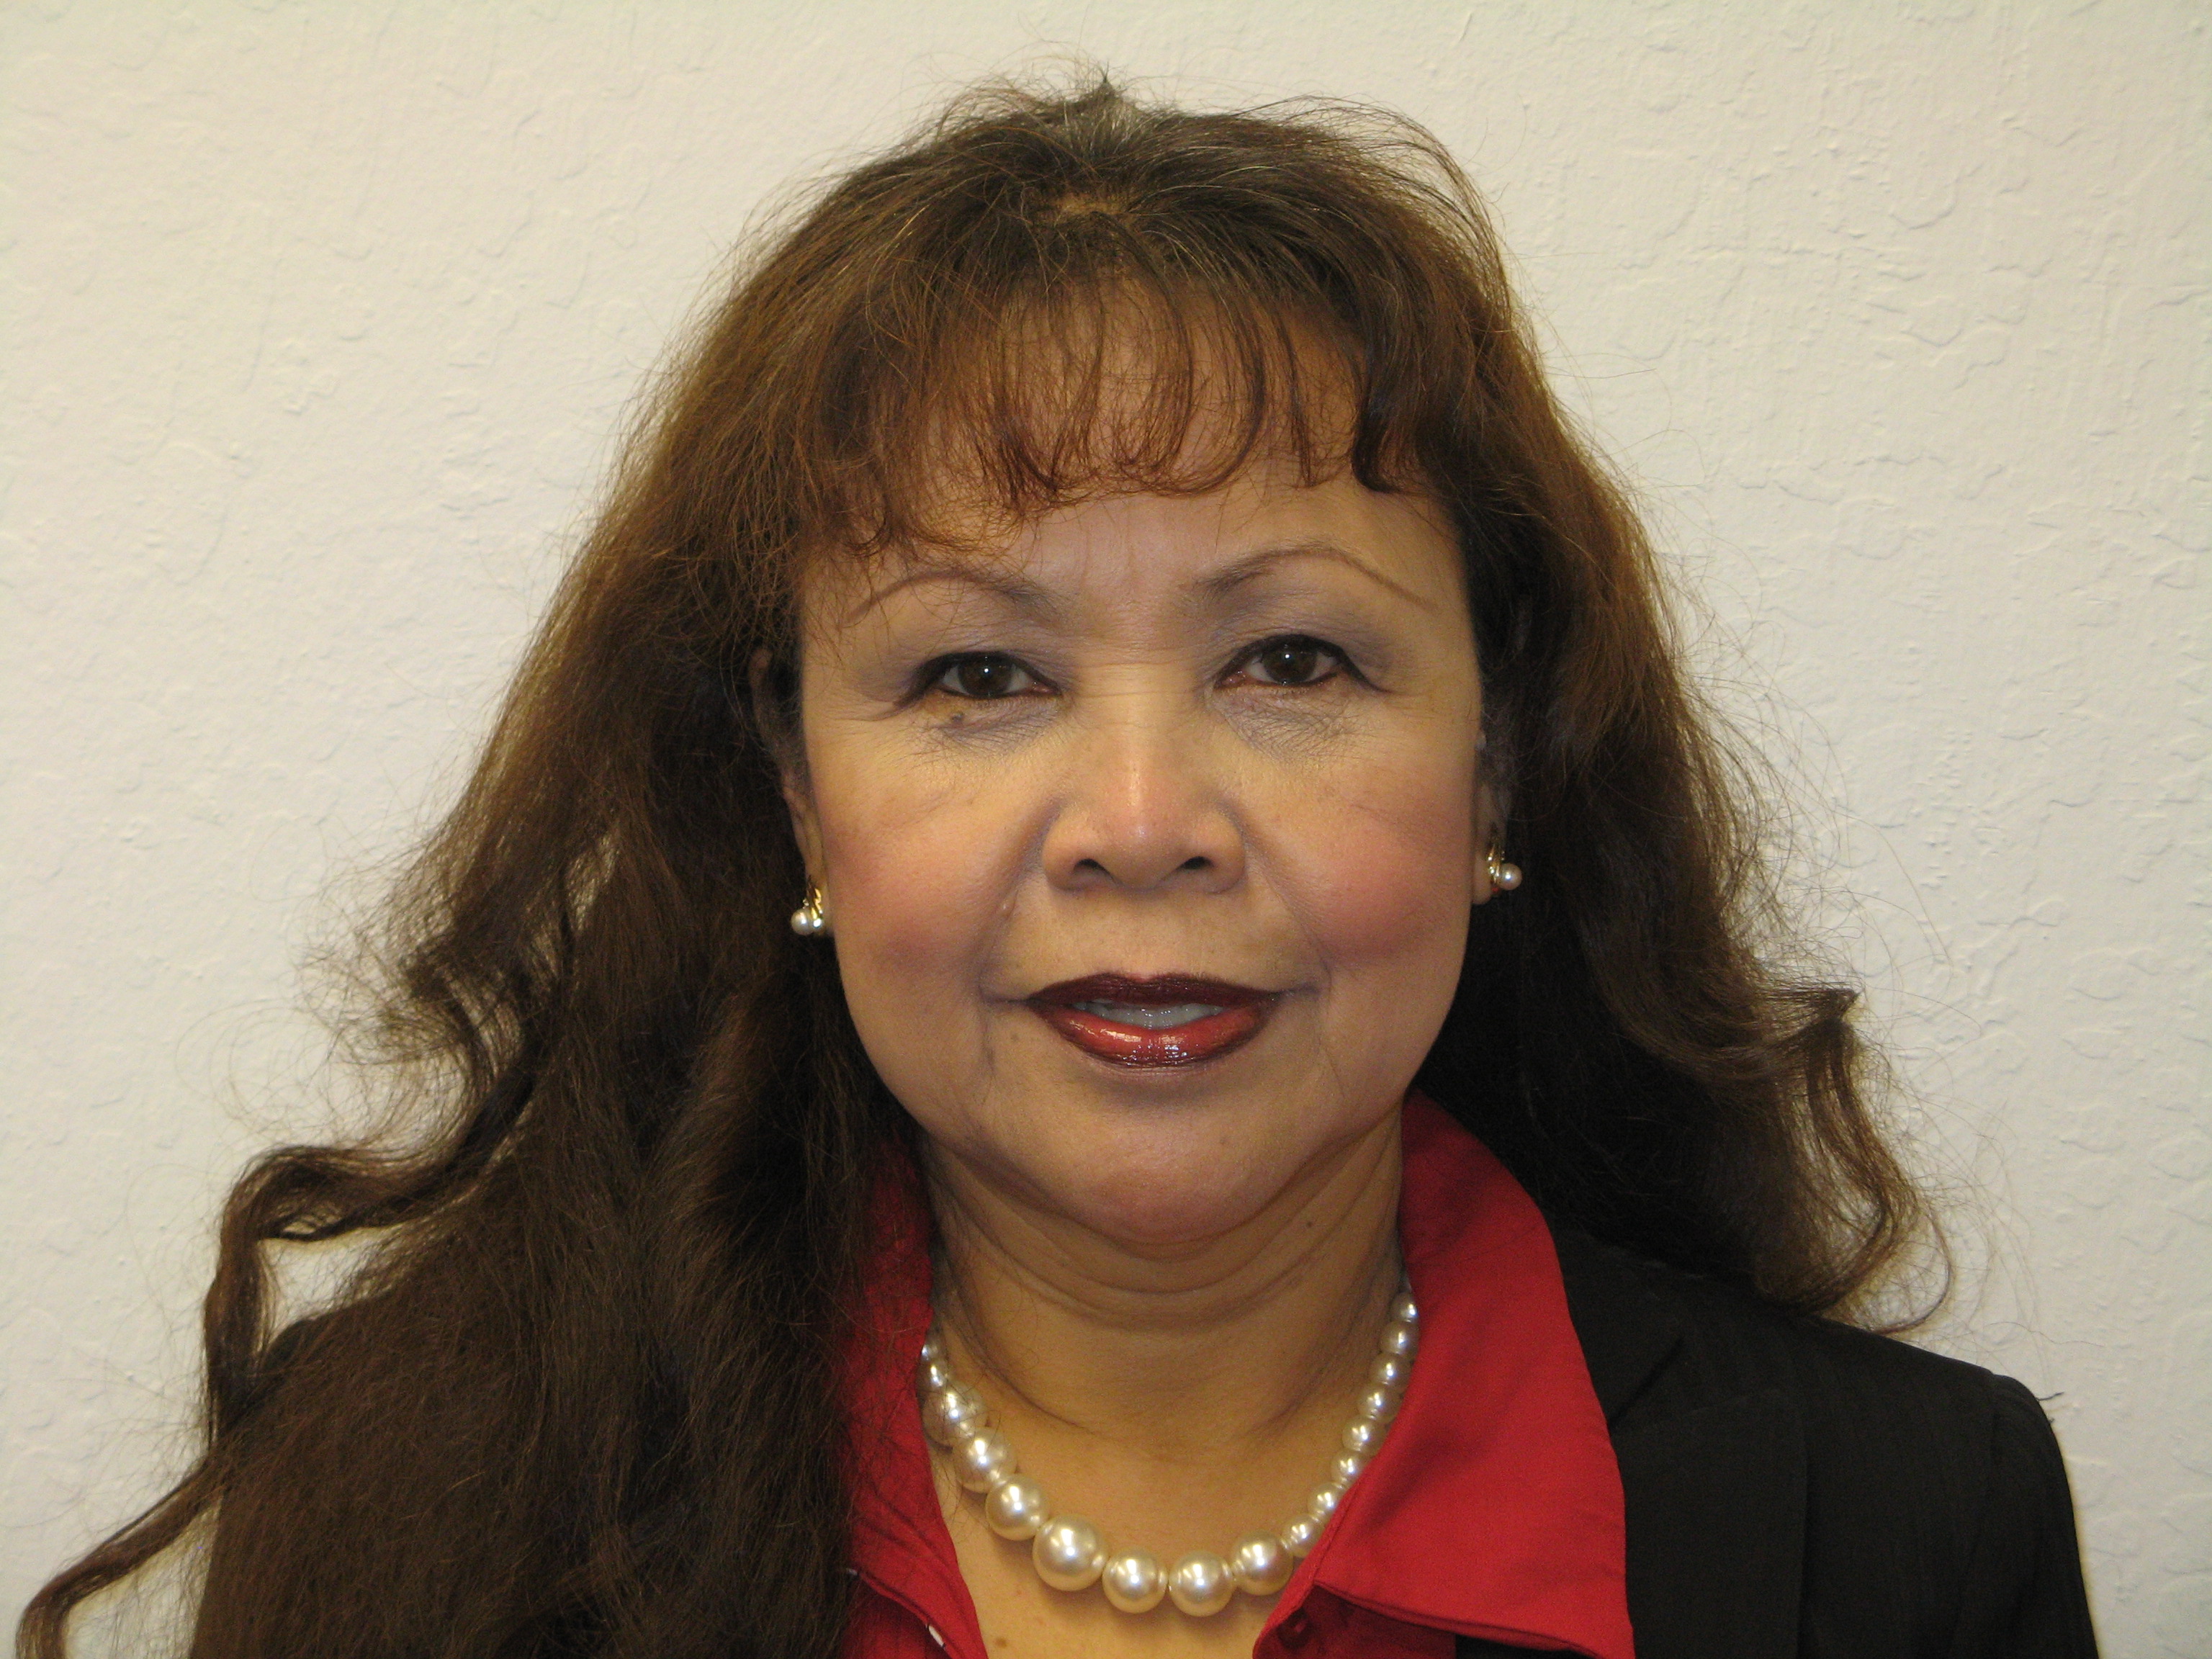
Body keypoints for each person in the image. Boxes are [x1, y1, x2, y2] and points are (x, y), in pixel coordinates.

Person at [24, 78, 2097, 1659]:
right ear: (796, 797)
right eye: (978, 673)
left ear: (1499, 768)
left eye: (1293, 660)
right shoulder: (426, 1507)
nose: (1139, 816)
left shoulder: (1906, 1531)